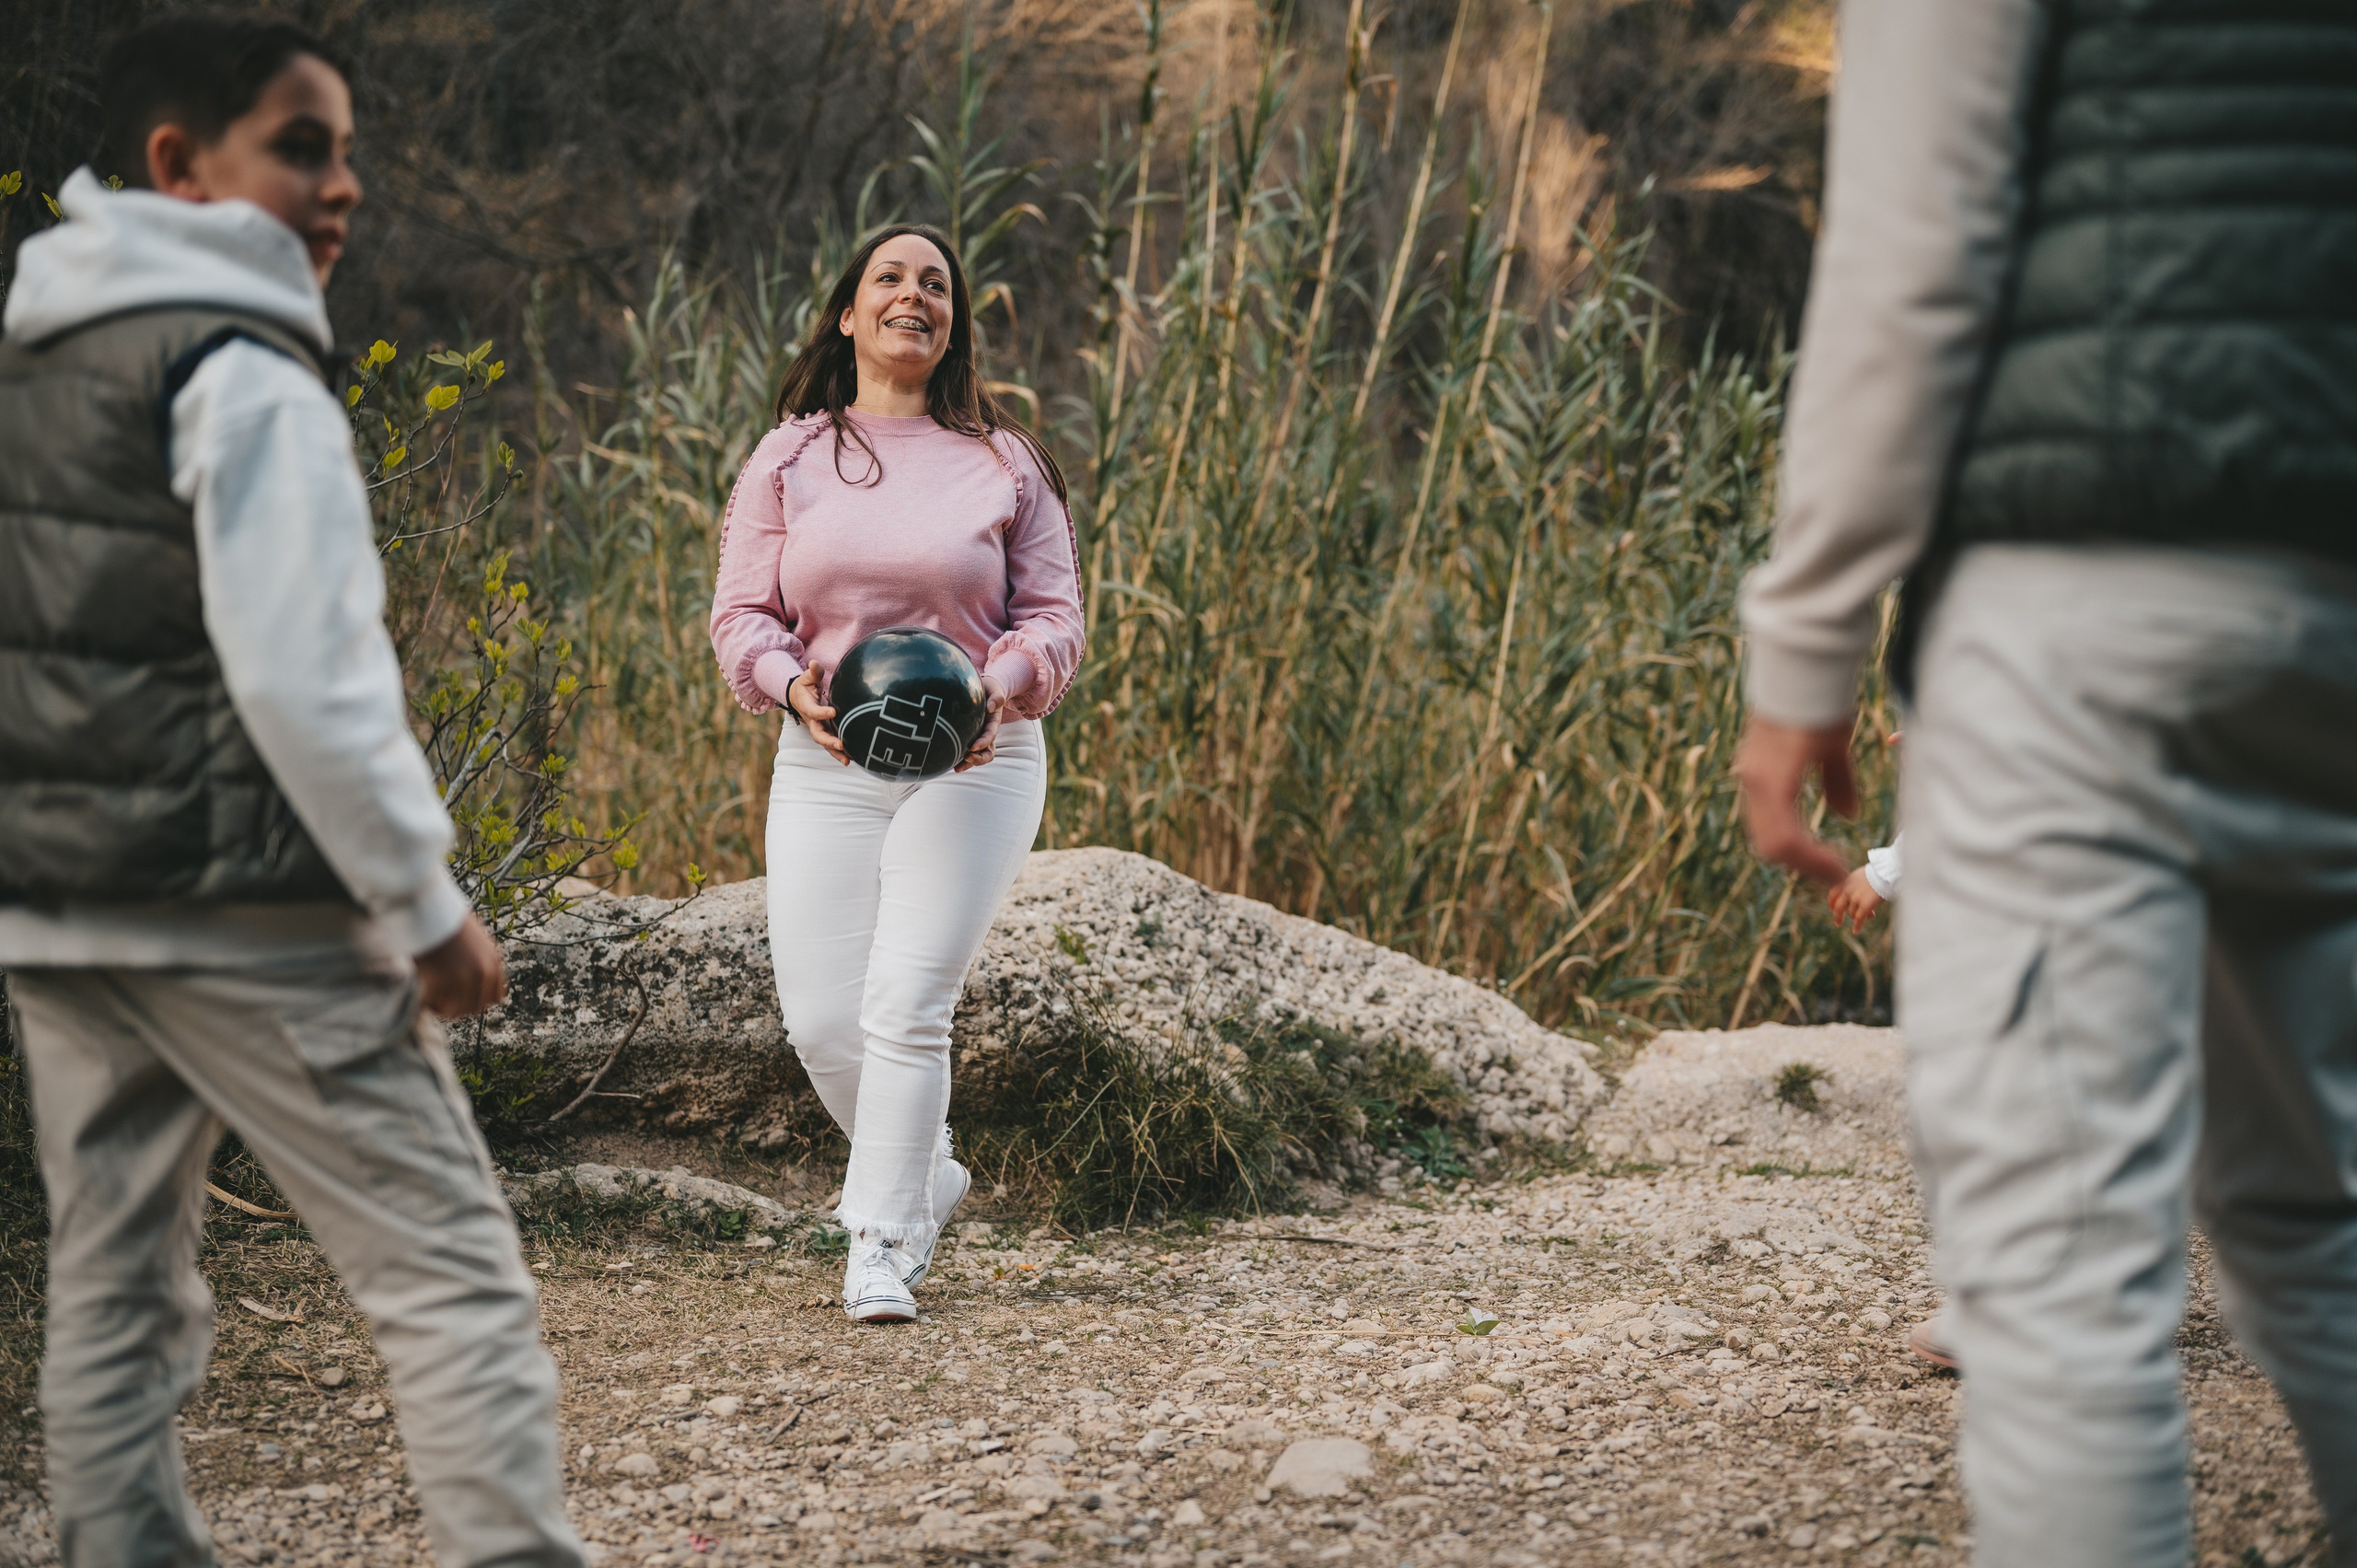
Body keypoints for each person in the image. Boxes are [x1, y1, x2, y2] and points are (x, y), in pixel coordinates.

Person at [1735, 2, 2357, 1562]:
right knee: (2318, 1217)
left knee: (2064, 1293)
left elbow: (1914, 252)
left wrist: (1807, 638)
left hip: (2083, 594)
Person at [0, 16, 586, 1567]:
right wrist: (423, 902)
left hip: (57, 910)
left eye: (351, 154)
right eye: (302, 147)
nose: (346, 187)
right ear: (178, 166)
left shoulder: (36, 357)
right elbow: (306, 681)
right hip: (250, 908)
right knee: (448, 1268)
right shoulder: (244, 368)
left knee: (113, 1285)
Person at [709, 224, 1085, 1325]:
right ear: (848, 311)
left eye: (935, 283)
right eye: (889, 278)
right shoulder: (788, 455)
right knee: (823, 1025)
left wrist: (998, 685)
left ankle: (879, 1239)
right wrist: (792, 687)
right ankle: (928, 1167)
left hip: (978, 756)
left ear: (953, 320)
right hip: (827, 755)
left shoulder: (1005, 460)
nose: (912, 294)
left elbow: (1055, 618)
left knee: (905, 997)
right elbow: (740, 618)